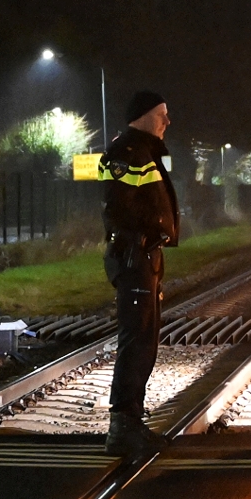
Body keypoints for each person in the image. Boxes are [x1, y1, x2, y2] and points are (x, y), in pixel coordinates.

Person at [100, 90, 179, 458]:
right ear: (144, 115)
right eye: (161, 114)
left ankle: (133, 421)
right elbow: (117, 207)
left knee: (146, 338)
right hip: (134, 258)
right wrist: (141, 237)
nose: (166, 121)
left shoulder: (144, 151)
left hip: (145, 257)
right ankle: (123, 425)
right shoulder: (126, 153)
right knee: (136, 340)